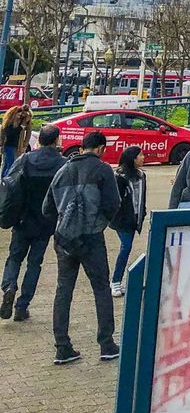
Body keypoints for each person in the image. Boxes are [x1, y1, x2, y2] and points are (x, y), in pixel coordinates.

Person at [42, 129, 121, 365]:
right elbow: (113, 203)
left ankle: (62, 347)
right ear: (100, 149)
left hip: (64, 238)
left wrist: (64, 220)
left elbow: (47, 209)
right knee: (101, 288)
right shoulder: (103, 170)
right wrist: (99, 222)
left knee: (63, 290)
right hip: (91, 237)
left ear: (81, 147)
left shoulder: (62, 171)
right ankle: (106, 343)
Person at [0, 123, 65, 322]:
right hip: (46, 222)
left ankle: (9, 285)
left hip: (22, 218)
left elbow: (10, 183)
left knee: (14, 257)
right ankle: (22, 306)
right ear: (56, 140)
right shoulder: (62, 164)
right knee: (35, 264)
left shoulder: (26, 159)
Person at [109, 146, 147, 297]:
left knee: (127, 247)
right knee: (126, 247)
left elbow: (142, 197)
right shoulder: (119, 177)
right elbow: (114, 200)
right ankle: (115, 281)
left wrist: (142, 213)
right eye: (140, 155)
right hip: (122, 220)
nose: (143, 158)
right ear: (133, 158)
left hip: (135, 219)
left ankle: (120, 281)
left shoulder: (141, 176)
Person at [2, 105, 32, 177]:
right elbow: (12, 132)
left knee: (7, 164)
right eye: (19, 114)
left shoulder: (17, 121)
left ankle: (3, 179)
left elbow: (28, 132)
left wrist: (24, 145)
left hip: (14, 145)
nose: (20, 115)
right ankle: (6, 179)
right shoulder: (10, 123)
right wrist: (22, 126)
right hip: (9, 145)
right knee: (10, 164)